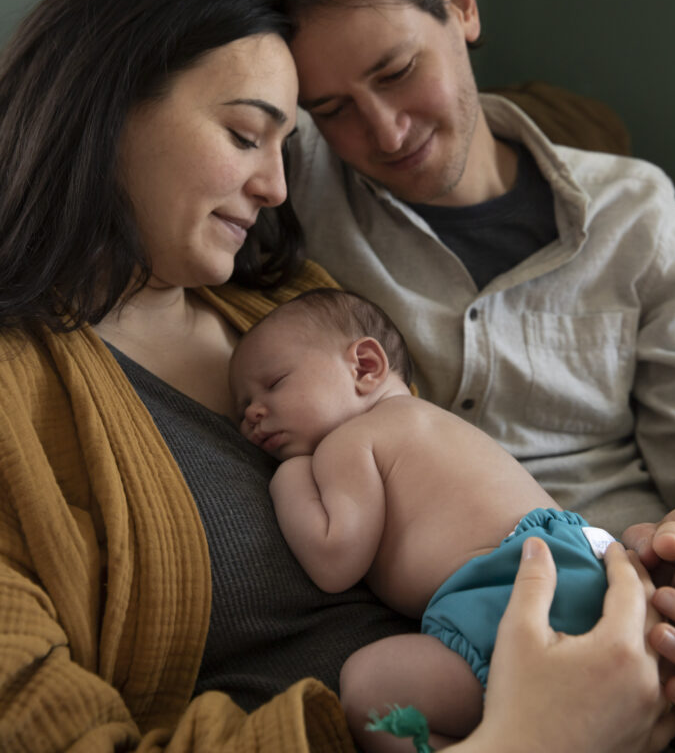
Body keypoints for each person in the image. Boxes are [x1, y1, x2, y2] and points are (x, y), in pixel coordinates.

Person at [0, 0, 675, 753]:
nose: (277, 188)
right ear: (102, 110)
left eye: (286, 147)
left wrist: (629, 587)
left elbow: (455, 499)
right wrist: (531, 738)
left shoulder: (288, 298)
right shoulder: (22, 402)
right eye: (245, 134)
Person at [234, 0, 675, 706]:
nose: (384, 131)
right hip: (450, 629)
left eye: (398, 71)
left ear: (462, 7)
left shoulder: (636, 213)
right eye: (331, 107)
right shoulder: (291, 184)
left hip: (620, 576)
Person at [231, 287, 620, 749]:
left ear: (365, 367)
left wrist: (288, 478)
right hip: (586, 566)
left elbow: (334, 560)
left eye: (274, 384)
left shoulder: (351, 441)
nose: (253, 414)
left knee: (372, 690)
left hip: (512, 594)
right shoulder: (429, 421)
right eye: (240, 410)